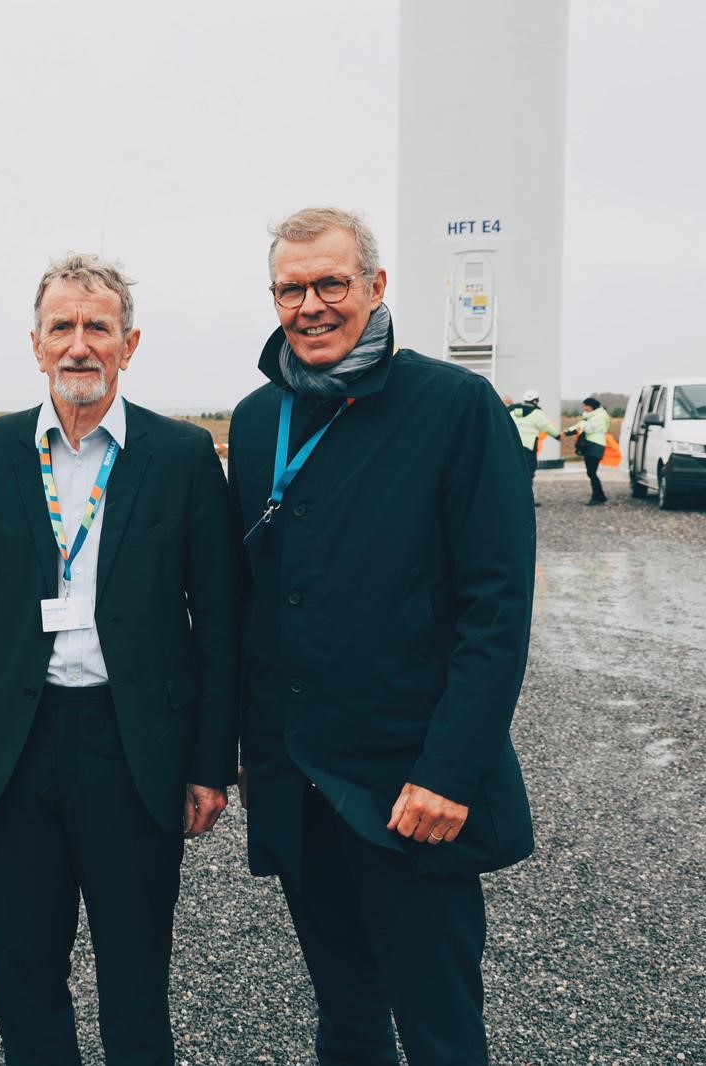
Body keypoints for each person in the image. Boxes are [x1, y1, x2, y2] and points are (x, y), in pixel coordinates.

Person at [226, 207, 535, 1064]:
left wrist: (448, 771)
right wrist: (252, 752)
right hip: (300, 782)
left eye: (332, 283)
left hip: (410, 790)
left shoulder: (456, 407)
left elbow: (497, 610)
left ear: (375, 287)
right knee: (347, 1016)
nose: (312, 305)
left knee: (438, 1026)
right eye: (293, 288)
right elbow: (254, 607)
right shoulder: (258, 420)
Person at [0, 253, 240, 1065]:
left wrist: (212, 763)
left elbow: (222, 621)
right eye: (61, 327)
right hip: (15, 747)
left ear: (129, 345)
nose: (78, 345)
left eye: (97, 327)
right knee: (22, 974)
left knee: (135, 978)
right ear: (35, 345)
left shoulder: (180, 457)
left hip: (133, 746)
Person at [506, 388, 560, 506]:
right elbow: (546, 427)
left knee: (513, 471)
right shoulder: (537, 413)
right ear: (536, 400)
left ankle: (511, 498)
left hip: (513, 446)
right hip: (528, 448)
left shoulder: (512, 410)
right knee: (528, 473)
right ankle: (527, 500)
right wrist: (558, 436)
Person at [564, 396, 611, 505]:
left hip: (596, 446)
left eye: (586, 406)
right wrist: (568, 431)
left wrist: (575, 428)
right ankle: (600, 496)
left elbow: (589, 428)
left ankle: (597, 497)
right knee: (591, 472)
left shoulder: (600, 416)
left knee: (592, 472)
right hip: (591, 446)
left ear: (592, 406)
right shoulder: (591, 416)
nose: (584, 408)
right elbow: (582, 426)